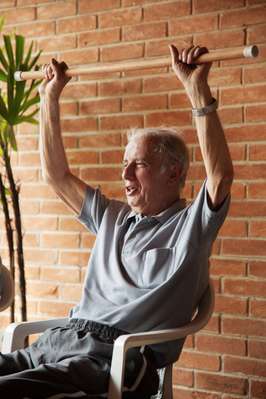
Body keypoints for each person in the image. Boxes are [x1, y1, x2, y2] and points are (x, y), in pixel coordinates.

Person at [0, 45, 233, 398]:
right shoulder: (113, 216)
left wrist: (196, 88)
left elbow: (220, 176)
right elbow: (56, 175)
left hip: (116, 360)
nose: (124, 174)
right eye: (124, 163)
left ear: (173, 173)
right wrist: (50, 97)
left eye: (137, 164)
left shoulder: (192, 227)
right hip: (62, 339)